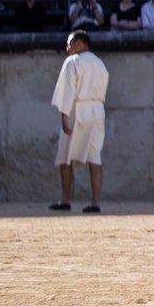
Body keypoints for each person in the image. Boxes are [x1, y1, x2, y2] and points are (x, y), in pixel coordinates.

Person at [48, 30, 109, 213]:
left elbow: (67, 89)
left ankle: (66, 199)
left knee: (66, 155)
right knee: (94, 157)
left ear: (80, 43)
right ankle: (95, 202)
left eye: (71, 44)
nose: (68, 48)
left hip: (79, 109)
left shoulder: (72, 62)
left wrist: (64, 116)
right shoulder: (100, 63)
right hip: (97, 110)